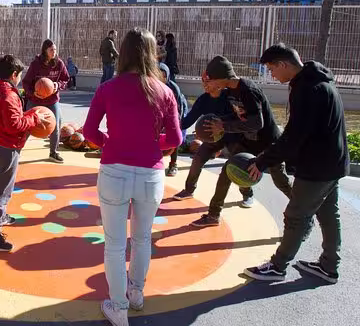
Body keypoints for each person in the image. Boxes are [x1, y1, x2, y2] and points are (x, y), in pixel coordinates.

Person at [83, 28, 181, 325]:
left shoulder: (108, 88)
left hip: (114, 171)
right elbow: (175, 138)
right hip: (151, 175)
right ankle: (137, 294)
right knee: (142, 239)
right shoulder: (164, 91)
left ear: (122, 53)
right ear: (153, 54)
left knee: (114, 244)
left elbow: (88, 133)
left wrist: (110, 143)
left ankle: (118, 306)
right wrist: (153, 146)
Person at [244, 44, 348, 284]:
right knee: (328, 212)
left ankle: (277, 266)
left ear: (284, 64)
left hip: (317, 166)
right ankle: (329, 266)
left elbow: (294, 136)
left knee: (296, 215)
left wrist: (262, 161)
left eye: (271, 69)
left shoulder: (307, 89)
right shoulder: (321, 81)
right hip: (333, 162)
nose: (271, 75)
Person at [187, 55, 292, 227]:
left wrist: (224, 126)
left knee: (280, 181)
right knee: (227, 171)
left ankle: (304, 211)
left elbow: (257, 122)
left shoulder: (248, 90)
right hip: (250, 142)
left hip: (268, 143)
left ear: (221, 77)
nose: (209, 85)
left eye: (211, 80)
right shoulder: (229, 92)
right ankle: (213, 215)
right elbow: (238, 116)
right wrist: (220, 122)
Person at [0, 54, 46, 252]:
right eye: (19, 76)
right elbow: (14, 125)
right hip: (7, 147)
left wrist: (26, 115)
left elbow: (9, 120)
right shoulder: (8, 95)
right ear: (14, 74)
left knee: (3, 186)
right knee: (2, 190)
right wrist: (34, 118)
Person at [23, 39, 70, 163]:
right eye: (51, 50)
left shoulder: (59, 63)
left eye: (55, 49)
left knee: (56, 124)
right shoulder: (35, 64)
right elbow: (26, 83)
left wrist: (57, 86)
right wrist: (33, 92)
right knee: (26, 125)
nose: (54, 52)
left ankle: (53, 152)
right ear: (45, 51)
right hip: (35, 99)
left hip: (52, 100)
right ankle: (16, 148)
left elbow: (66, 79)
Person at [158, 63, 188, 177]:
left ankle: (173, 164)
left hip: (177, 112)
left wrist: (175, 124)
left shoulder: (173, 88)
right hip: (161, 113)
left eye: (164, 76)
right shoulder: (152, 87)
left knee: (174, 134)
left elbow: (178, 110)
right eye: (158, 76)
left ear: (167, 76)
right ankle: (154, 160)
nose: (161, 79)